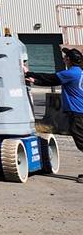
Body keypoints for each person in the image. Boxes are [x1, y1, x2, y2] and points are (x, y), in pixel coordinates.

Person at [26, 47, 83, 181]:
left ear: (68, 59)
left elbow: (51, 78)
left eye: (65, 56)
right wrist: (36, 82)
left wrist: (30, 73)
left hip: (78, 113)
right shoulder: (78, 72)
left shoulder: (72, 73)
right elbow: (53, 81)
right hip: (78, 112)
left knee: (81, 142)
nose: (63, 58)